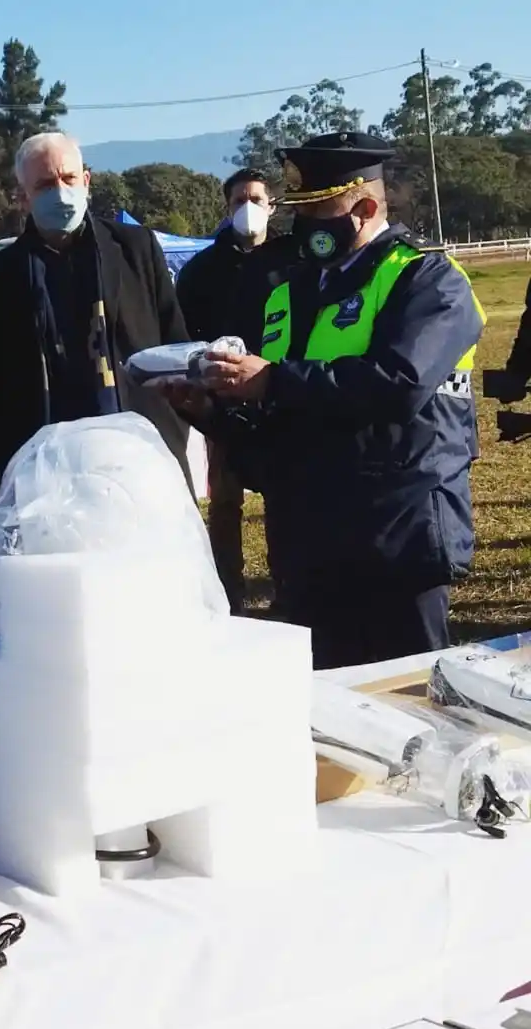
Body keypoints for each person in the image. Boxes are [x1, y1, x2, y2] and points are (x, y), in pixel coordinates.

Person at [171, 133, 484, 669]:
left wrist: (271, 381)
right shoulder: (285, 294)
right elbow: (280, 421)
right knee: (318, 718)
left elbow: (397, 383)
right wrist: (209, 412)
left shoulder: (428, 281)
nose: (304, 228)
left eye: (319, 212)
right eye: (298, 213)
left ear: (363, 208)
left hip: (396, 541)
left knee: (405, 704)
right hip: (308, 546)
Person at [0, 132, 193, 503]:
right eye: (46, 184)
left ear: (86, 180)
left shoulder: (135, 249)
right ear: (22, 197)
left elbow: (173, 344)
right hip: (46, 473)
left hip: (141, 458)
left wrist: (172, 430)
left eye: (68, 179)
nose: (61, 192)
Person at [176, 169, 293, 613]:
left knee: (284, 497)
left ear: (272, 205)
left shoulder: (292, 259)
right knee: (225, 501)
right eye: (239, 200)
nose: (249, 207)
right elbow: (186, 329)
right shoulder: (204, 269)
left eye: (257, 198)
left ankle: (287, 583)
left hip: (280, 392)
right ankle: (228, 591)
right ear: (226, 209)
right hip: (224, 401)